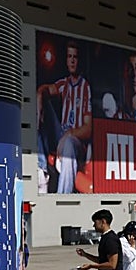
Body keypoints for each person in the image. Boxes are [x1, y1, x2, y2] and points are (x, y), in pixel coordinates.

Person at [36, 41, 93, 195]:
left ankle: (63, 195)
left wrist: (68, 135)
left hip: (77, 143)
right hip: (62, 135)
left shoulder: (85, 88)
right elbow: (47, 89)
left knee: (68, 143)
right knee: (38, 106)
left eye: (75, 57)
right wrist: (40, 95)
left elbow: (88, 130)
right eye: (69, 56)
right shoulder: (64, 84)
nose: (72, 60)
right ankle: (41, 171)